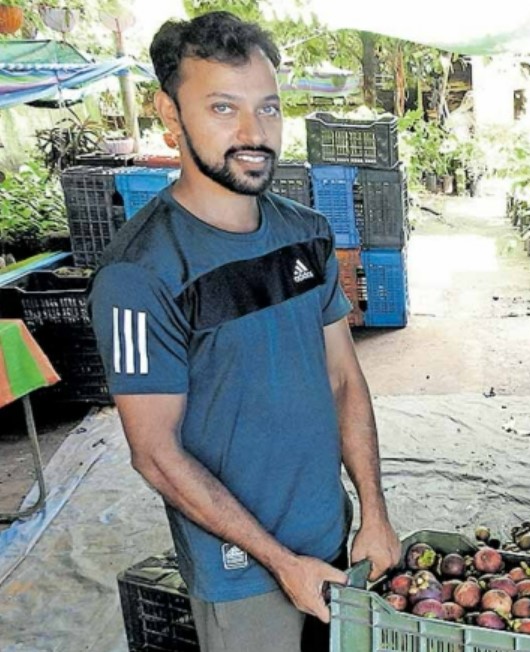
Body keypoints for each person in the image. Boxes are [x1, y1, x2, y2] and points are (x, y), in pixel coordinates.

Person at [87, 11, 400, 652]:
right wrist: (280, 562)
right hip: (242, 573)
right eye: (223, 108)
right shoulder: (138, 275)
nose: (254, 133)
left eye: (269, 108)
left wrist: (374, 512)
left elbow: (344, 380)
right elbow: (156, 454)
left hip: (333, 539)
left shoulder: (307, 232)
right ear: (170, 114)